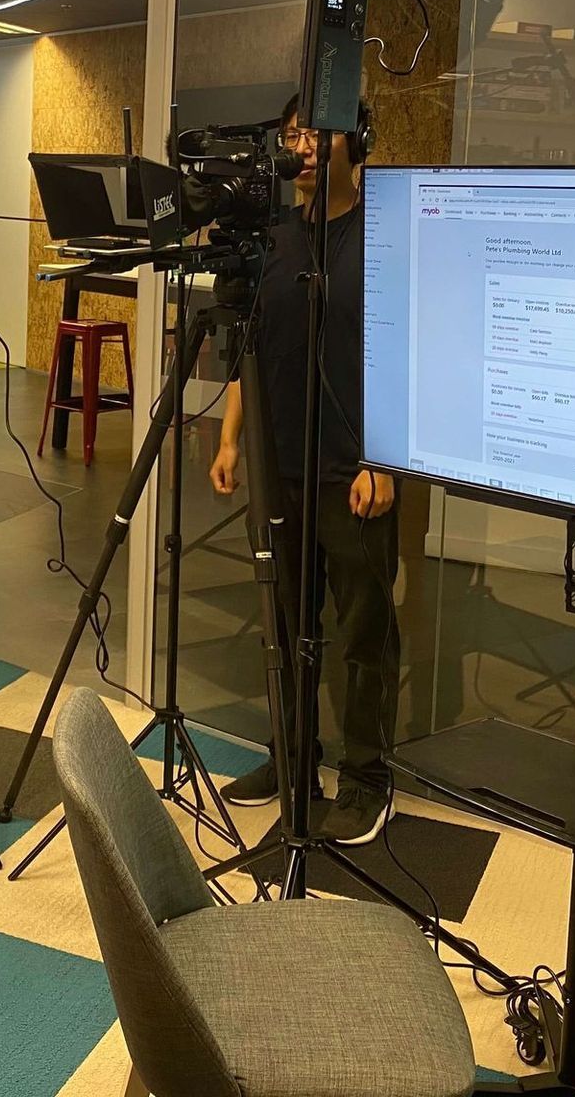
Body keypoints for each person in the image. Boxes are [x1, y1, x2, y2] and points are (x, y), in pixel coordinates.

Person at [207, 92, 398, 845]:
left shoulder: (382, 238)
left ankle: (367, 778)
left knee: (362, 632)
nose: (306, 147)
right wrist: (230, 441)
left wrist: (389, 464)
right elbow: (250, 350)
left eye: (320, 132)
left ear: (359, 141)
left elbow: (410, 359)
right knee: (286, 625)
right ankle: (292, 761)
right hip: (278, 459)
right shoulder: (275, 239)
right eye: (294, 134)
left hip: (354, 469)